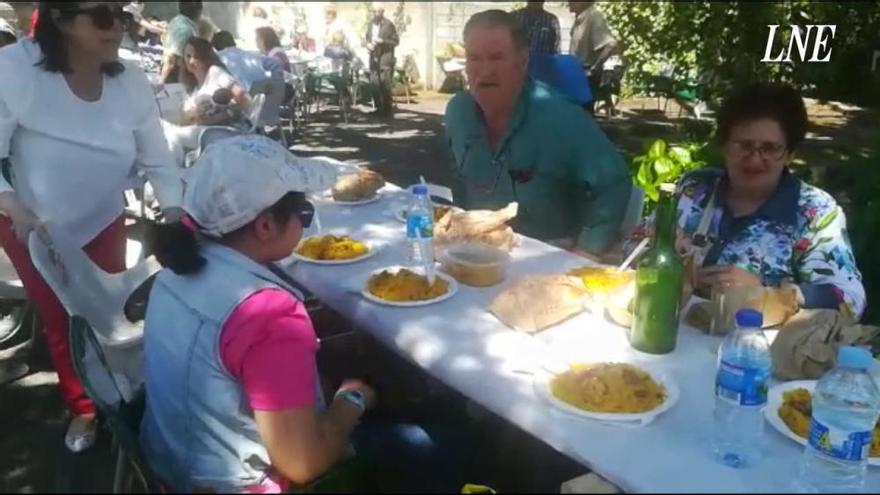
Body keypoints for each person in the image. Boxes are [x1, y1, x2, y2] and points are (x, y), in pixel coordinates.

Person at [141, 135, 464, 493]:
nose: (306, 223)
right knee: (436, 445)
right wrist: (352, 400)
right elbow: (302, 464)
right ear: (264, 226)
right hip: (239, 484)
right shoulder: (268, 314)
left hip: (170, 466)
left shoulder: (174, 270)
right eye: (304, 213)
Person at [0, 1, 183, 452]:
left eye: (121, 14)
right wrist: (11, 205)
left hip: (102, 216)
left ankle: (121, 393)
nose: (117, 26)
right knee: (64, 320)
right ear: (61, 18)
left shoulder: (132, 81)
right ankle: (83, 407)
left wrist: (178, 215)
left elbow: (157, 158)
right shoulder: (16, 70)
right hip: (35, 228)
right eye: (102, 16)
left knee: (112, 316)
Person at [630, 83, 866, 319]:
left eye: (770, 148)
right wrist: (675, 268)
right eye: (744, 145)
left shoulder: (813, 212)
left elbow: (850, 300)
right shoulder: (695, 189)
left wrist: (766, 294)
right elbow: (631, 250)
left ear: (790, 154)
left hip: (755, 351)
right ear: (723, 146)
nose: (754, 159)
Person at [445, 10, 631, 257]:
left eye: (496, 58)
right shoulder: (458, 113)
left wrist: (588, 250)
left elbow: (614, 183)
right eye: (475, 58)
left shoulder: (560, 117)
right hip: (475, 254)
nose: (484, 71)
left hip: (546, 259)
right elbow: (459, 184)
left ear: (522, 62)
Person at [162, 36, 251, 167]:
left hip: (223, 132)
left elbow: (243, 97)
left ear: (205, 57)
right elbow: (187, 118)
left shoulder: (214, 72)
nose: (191, 61)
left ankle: (175, 177)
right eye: (187, 56)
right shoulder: (192, 87)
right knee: (166, 131)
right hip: (203, 131)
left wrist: (223, 116)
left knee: (172, 136)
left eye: (196, 56)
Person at [568, 1, 620, 115]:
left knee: (583, 118)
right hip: (574, 76)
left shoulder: (594, 17)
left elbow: (611, 45)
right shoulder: (580, 18)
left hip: (585, 77)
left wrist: (594, 68)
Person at [211, 30, 283, 92]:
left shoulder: (217, 59)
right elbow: (275, 64)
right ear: (233, 41)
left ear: (216, 47)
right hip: (262, 97)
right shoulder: (253, 55)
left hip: (239, 101)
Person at [365, 3, 398, 118]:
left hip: (385, 57)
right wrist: (368, 45)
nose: (375, 14)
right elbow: (367, 38)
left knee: (385, 83)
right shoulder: (370, 24)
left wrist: (382, 41)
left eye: (377, 12)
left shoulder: (388, 25)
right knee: (374, 83)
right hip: (373, 57)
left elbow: (395, 41)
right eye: (373, 11)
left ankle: (387, 111)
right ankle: (378, 108)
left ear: (382, 12)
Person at [159, 0, 202, 84]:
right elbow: (171, 59)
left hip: (171, 71)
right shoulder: (186, 30)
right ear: (198, 12)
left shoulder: (176, 20)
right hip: (176, 76)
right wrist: (161, 81)